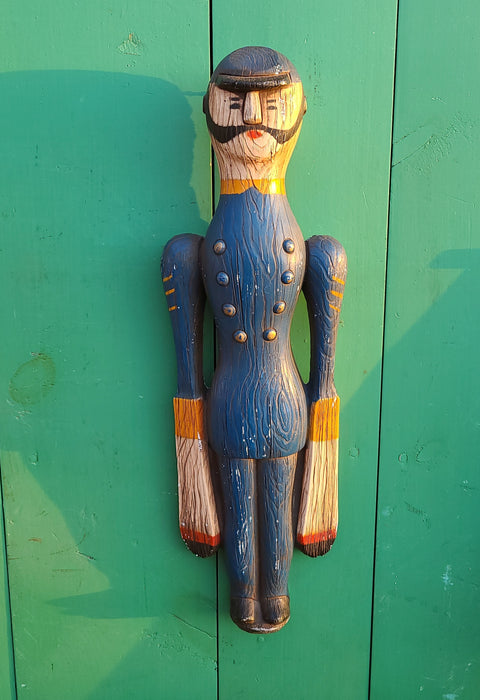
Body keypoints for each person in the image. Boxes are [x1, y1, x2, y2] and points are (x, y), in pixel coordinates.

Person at [162, 46, 346, 632]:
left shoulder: (317, 253)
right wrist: (189, 411)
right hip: (230, 399)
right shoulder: (191, 251)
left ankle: (278, 591)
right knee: (241, 503)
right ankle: (245, 592)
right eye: (237, 103)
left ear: (295, 112)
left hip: (286, 398)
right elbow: (185, 361)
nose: (254, 120)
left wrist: (324, 401)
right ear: (216, 112)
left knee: (277, 498)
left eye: (269, 104)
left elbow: (326, 362)